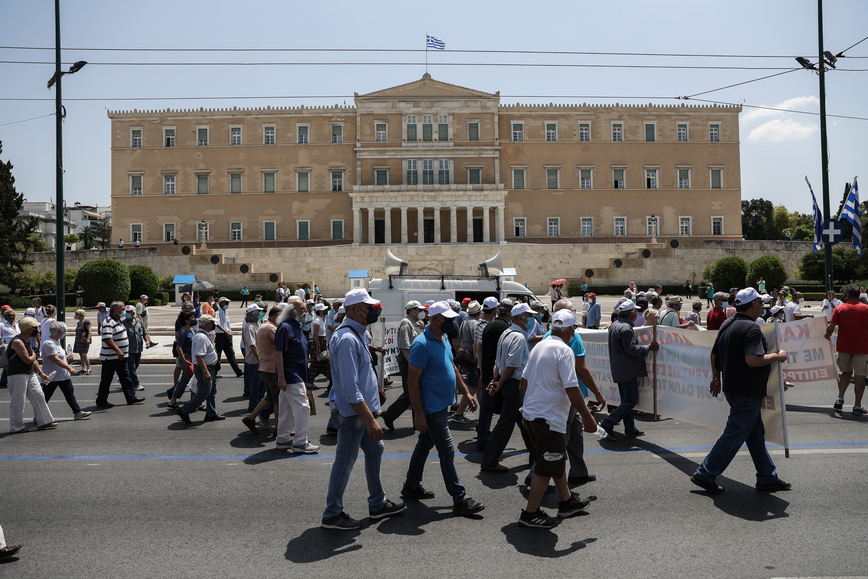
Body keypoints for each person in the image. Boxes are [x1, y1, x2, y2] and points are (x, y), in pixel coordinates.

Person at [690, 288, 791, 494]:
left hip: (734, 388)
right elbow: (752, 360)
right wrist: (778, 356)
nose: (763, 307)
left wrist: (716, 378)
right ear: (753, 305)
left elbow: (714, 354)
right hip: (747, 391)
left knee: (754, 434)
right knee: (735, 434)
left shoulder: (728, 324)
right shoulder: (752, 329)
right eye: (761, 304)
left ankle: (767, 476)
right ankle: (705, 473)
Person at [322, 289, 405, 530]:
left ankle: (377, 503)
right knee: (345, 462)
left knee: (375, 449)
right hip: (353, 415)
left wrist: (375, 387)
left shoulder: (357, 333)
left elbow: (360, 372)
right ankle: (332, 514)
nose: (374, 311)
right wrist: (370, 420)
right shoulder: (347, 338)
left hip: (360, 411)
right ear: (357, 310)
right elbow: (350, 389)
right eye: (369, 308)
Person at [401, 301, 485, 517]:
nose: (451, 322)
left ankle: (411, 485)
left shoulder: (443, 338)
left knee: (424, 445)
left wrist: (466, 392)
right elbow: (412, 382)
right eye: (447, 319)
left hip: (441, 404)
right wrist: (419, 414)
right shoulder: (421, 344)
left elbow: (453, 366)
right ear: (434, 319)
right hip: (431, 407)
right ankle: (460, 498)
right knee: (447, 450)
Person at [518, 309, 598, 528]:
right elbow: (572, 388)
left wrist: (525, 408)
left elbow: (523, 381)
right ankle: (530, 513)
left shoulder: (539, 346)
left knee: (554, 459)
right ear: (571, 329)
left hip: (535, 415)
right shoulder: (564, 351)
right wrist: (588, 418)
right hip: (549, 419)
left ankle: (567, 501)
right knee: (546, 467)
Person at [480, 303, 534, 473]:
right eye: (528, 315)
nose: (531, 319)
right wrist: (500, 383)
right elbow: (511, 365)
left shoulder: (506, 333)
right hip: (513, 385)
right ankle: (489, 460)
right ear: (520, 318)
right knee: (506, 424)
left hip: (506, 382)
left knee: (524, 421)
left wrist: (496, 380)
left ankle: (536, 454)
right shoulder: (518, 337)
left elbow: (498, 363)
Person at [599, 300, 659, 439]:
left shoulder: (615, 325)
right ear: (631, 314)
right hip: (627, 369)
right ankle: (609, 422)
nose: (636, 314)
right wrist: (648, 347)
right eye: (635, 312)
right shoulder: (625, 328)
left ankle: (630, 428)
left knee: (626, 400)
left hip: (619, 368)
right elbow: (631, 349)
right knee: (630, 401)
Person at [274, 298, 318, 452]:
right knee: (303, 407)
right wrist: (281, 377)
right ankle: (300, 441)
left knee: (286, 409)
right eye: (302, 309)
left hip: (295, 374)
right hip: (290, 375)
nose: (305, 311)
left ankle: (283, 439)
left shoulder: (296, 327)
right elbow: (278, 353)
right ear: (292, 312)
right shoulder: (285, 327)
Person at [7, 317, 56, 433]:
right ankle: (16, 427)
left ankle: (44, 421)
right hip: (17, 375)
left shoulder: (27, 341)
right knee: (18, 401)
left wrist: (41, 373)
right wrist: (34, 354)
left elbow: (33, 361)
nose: (37, 330)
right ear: (29, 329)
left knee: (39, 395)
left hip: (29, 373)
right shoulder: (17, 341)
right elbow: (28, 359)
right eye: (35, 328)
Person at [825, 286, 868, 415]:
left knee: (845, 373)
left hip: (843, 347)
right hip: (862, 348)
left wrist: (826, 336)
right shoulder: (866, 309)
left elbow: (830, 328)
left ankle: (840, 398)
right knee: (860, 376)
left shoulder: (839, 308)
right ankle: (857, 405)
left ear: (848, 295)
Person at [382, 300, 425, 431]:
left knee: (414, 392)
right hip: (408, 361)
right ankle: (389, 415)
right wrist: (413, 365)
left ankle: (416, 422)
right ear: (412, 310)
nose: (421, 312)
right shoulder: (406, 323)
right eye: (419, 310)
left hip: (412, 360)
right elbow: (404, 347)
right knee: (409, 393)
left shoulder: (414, 323)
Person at [477, 299, 513, 450]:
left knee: (485, 410)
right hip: (498, 375)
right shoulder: (506, 329)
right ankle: (495, 442)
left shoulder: (487, 326)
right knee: (510, 412)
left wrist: (481, 370)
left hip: (486, 373)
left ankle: (482, 439)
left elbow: (480, 349)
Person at [177, 314, 226, 425]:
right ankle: (184, 410)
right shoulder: (201, 337)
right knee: (204, 392)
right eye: (212, 323)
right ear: (208, 324)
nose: (214, 325)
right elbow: (199, 356)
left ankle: (211, 413)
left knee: (212, 391)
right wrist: (205, 372)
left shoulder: (204, 335)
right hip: (206, 368)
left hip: (210, 368)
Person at [95, 302, 144, 408]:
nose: (124, 312)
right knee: (106, 380)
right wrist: (118, 351)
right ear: (115, 310)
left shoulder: (119, 321)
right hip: (111, 357)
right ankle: (101, 401)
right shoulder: (108, 321)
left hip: (122, 357)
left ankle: (131, 397)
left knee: (126, 377)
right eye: (122, 309)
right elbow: (108, 339)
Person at [40, 320, 91, 420]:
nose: (64, 333)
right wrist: (70, 368)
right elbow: (54, 359)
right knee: (45, 397)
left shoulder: (57, 342)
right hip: (52, 376)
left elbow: (59, 357)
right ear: (59, 331)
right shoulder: (49, 344)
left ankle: (77, 412)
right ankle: (38, 414)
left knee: (69, 394)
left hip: (63, 375)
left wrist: (66, 358)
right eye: (63, 331)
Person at [452, 300, 482, 424]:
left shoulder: (465, 321)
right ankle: (458, 414)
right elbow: (476, 344)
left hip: (465, 356)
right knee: (473, 387)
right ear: (479, 312)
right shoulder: (475, 324)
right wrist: (477, 362)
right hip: (472, 358)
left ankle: (484, 410)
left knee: (478, 386)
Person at [167, 309, 195, 409]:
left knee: (186, 380)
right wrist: (184, 360)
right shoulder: (183, 332)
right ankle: (196, 402)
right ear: (187, 320)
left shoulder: (191, 330)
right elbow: (179, 347)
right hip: (187, 360)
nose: (194, 319)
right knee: (192, 380)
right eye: (192, 318)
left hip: (192, 359)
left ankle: (173, 399)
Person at [122, 304, 152, 392]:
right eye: (126, 312)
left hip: (138, 348)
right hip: (129, 349)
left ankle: (126, 376)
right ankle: (136, 384)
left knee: (136, 365)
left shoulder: (138, 321)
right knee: (131, 366)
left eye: (129, 312)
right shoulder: (123, 323)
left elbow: (144, 332)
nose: (127, 314)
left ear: (133, 313)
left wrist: (147, 341)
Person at [241, 304, 264, 411]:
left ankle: (259, 403)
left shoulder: (256, 324)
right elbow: (252, 345)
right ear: (254, 314)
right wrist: (259, 359)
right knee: (255, 384)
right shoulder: (249, 326)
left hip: (258, 359)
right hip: (254, 360)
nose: (260, 313)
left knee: (261, 383)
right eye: (258, 312)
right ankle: (253, 404)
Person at [214, 297, 244, 378]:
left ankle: (238, 371)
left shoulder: (225, 312)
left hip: (227, 336)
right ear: (221, 304)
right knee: (218, 354)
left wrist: (228, 333)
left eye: (227, 303)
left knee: (231, 354)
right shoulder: (218, 312)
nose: (227, 304)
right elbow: (217, 324)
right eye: (225, 303)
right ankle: (214, 372)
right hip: (221, 335)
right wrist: (226, 331)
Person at [309, 304, 332, 386]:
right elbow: (315, 334)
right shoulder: (317, 321)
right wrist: (318, 347)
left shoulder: (321, 320)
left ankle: (332, 381)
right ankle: (309, 381)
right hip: (318, 343)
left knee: (325, 364)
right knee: (315, 364)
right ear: (320, 311)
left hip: (322, 343)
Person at [1, 306, 19, 388]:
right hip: (8, 349)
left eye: (13, 315)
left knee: (13, 366)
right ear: (5, 316)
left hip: (19, 349)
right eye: (9, 316)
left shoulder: (17, 324)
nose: (12, 317)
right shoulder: (2, 325)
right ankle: (13, 383)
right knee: (10, 367)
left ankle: (4, 381)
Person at [72, 309, 92, 374]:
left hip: (84, 340)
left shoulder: (86, 322)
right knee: (80, 354)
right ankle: (83, 367)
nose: (76, 316)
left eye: (76, 314)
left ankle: (89, 368)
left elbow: (89, 330)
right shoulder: (78, 323)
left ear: (80, 315)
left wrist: (88, 338)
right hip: (78, 340)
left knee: (84, 354)